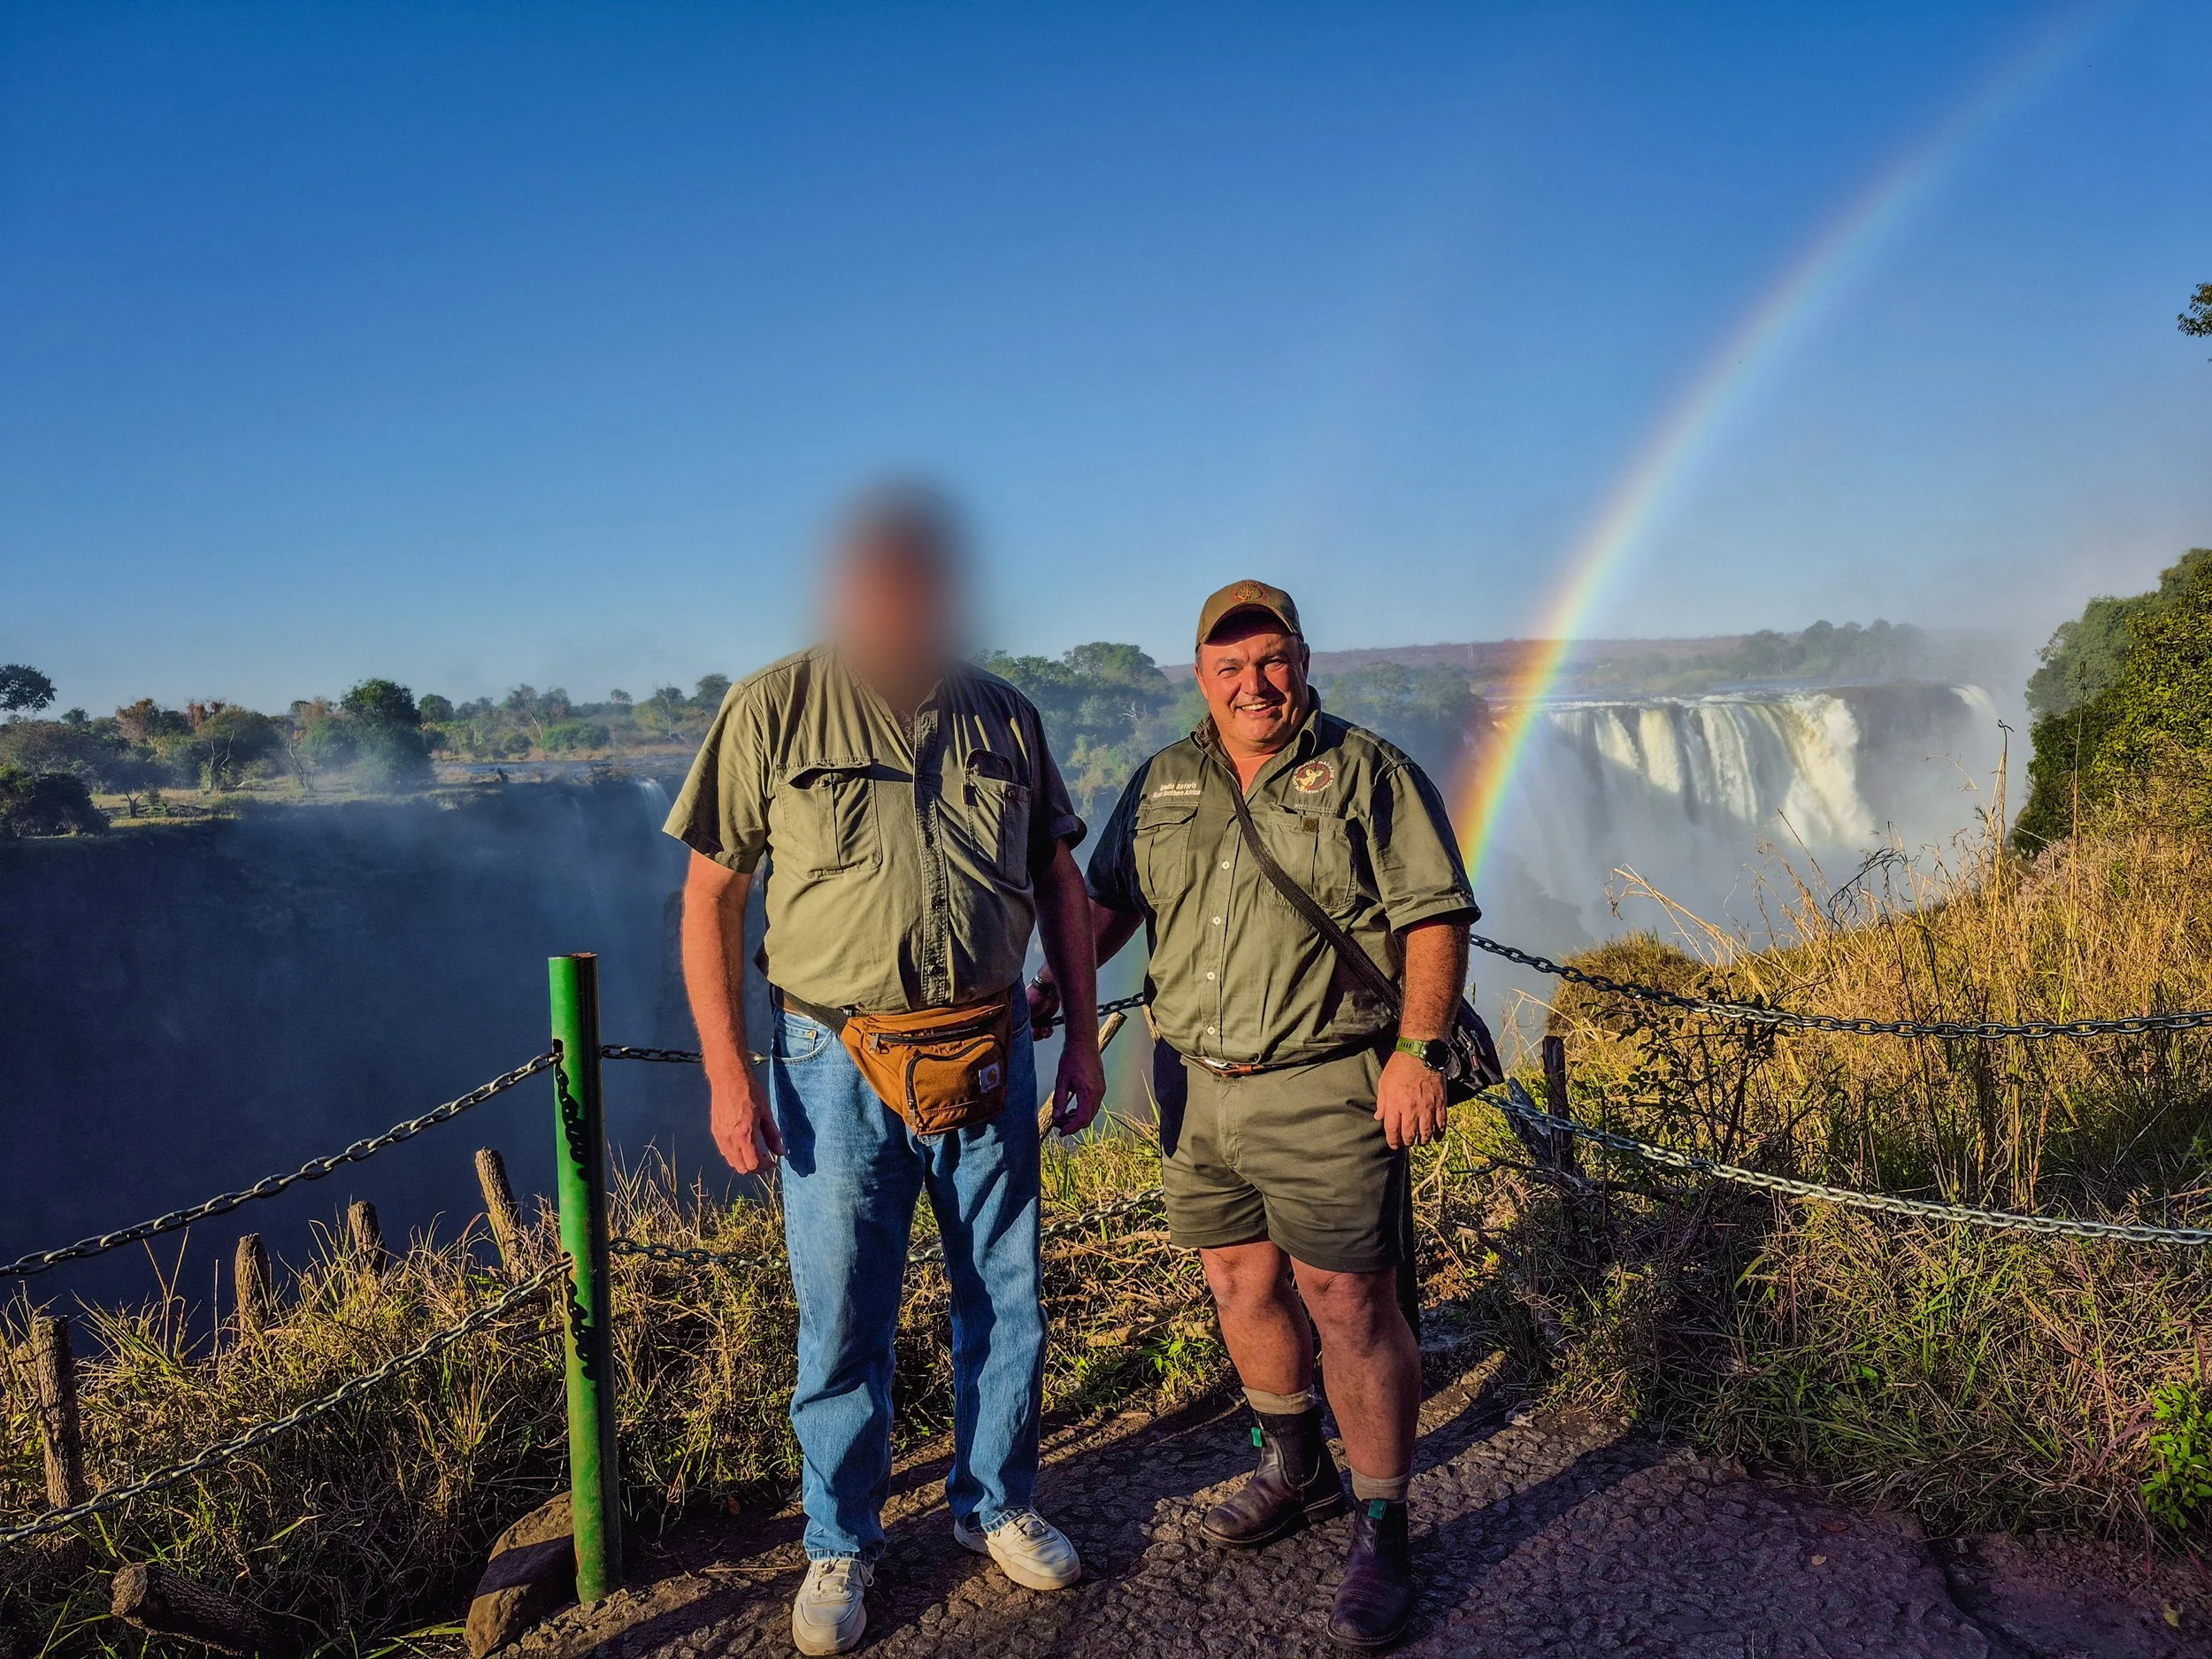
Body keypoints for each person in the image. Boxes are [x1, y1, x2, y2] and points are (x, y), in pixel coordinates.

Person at [666, 485, 1108, 1656]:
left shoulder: (1004, 716)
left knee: (1004, 1292)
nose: (899, 600)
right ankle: (839, 1539)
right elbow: (712, 894)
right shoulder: (772, 709)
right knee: (844, 1308)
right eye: (877, 580)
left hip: (994, 1044)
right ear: (845, 589)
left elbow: (1061, 882)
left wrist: (1089, 1043)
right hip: (832, 1058)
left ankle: (996, 1503)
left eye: (919, 580)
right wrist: (726, 1074)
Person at [1041, 580, 1476, 1648]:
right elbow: (1109, 906)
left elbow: (1433, 915)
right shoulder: (1161, 781)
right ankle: (1297, 1469)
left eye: (1271, 659)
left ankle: (1383, 1525)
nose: (1253, 682)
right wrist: (1063, 984)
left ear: (1303, 660)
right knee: (1238, 1282)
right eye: (1229, 664)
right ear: (1200, 675)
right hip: (1195, 1084)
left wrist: (1417, 1054)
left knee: (1350, 1303)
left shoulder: (1367, 770)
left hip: (1328, 1081)